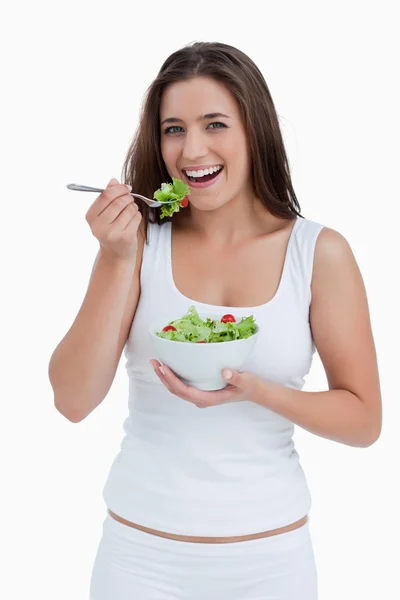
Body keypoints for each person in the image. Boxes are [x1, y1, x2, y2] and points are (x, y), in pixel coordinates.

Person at [48, 41, 382, 600]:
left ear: (256, 130)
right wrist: (115, 257)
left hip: (271, 564)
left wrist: (254, 391)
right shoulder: (138, 244)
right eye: (173, 128)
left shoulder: (318, 253)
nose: (191, 149)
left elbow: (364, 420)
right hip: (139, 560)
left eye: (215, 124)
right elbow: (71, 400)